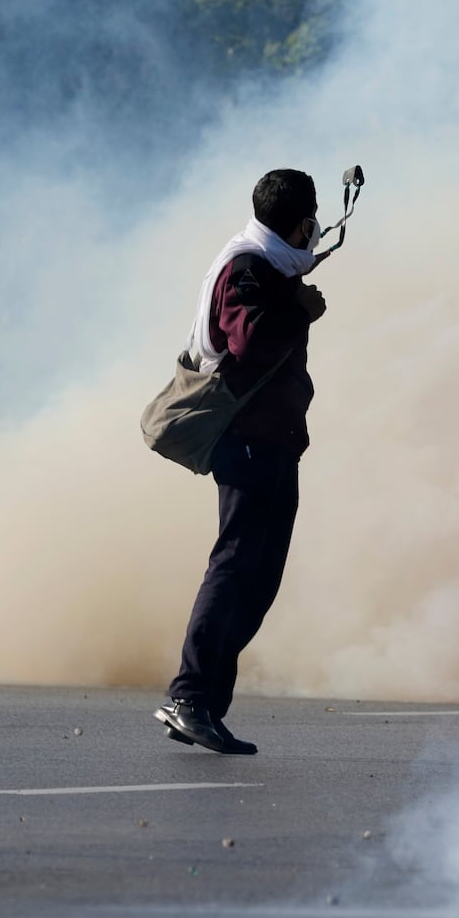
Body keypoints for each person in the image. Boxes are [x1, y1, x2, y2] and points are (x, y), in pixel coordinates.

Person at [154, 169, 327, 755]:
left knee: (258, 577)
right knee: (234, 568)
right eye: (313, 221)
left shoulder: (265, 262)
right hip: (247, 437)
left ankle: (205, 705)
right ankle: (189, 698)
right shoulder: (248, 266)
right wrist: (300, 308)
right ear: (301, 223)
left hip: (272, 438)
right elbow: (248, 342)